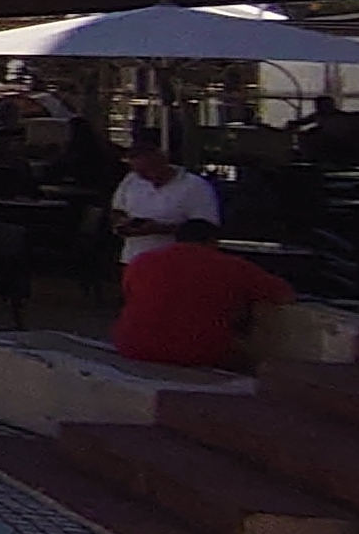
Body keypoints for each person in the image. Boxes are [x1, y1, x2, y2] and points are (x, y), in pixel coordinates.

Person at [109, 219, 298, 368]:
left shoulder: (141, 262)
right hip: (201, 352)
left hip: (133, 346)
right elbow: (284, 295)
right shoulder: (232, 266)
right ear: (213, 242)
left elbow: (130, 294)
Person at [109, 137, 220, 267]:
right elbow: (117, 209)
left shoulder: (195, 186)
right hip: (134, 259)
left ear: (164, 160)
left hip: (178, 263)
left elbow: (205, 229)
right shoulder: (131, 181)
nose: (150, 176)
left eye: (152, 168)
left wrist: (161, 228)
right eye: (142, 173)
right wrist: (122, 224)